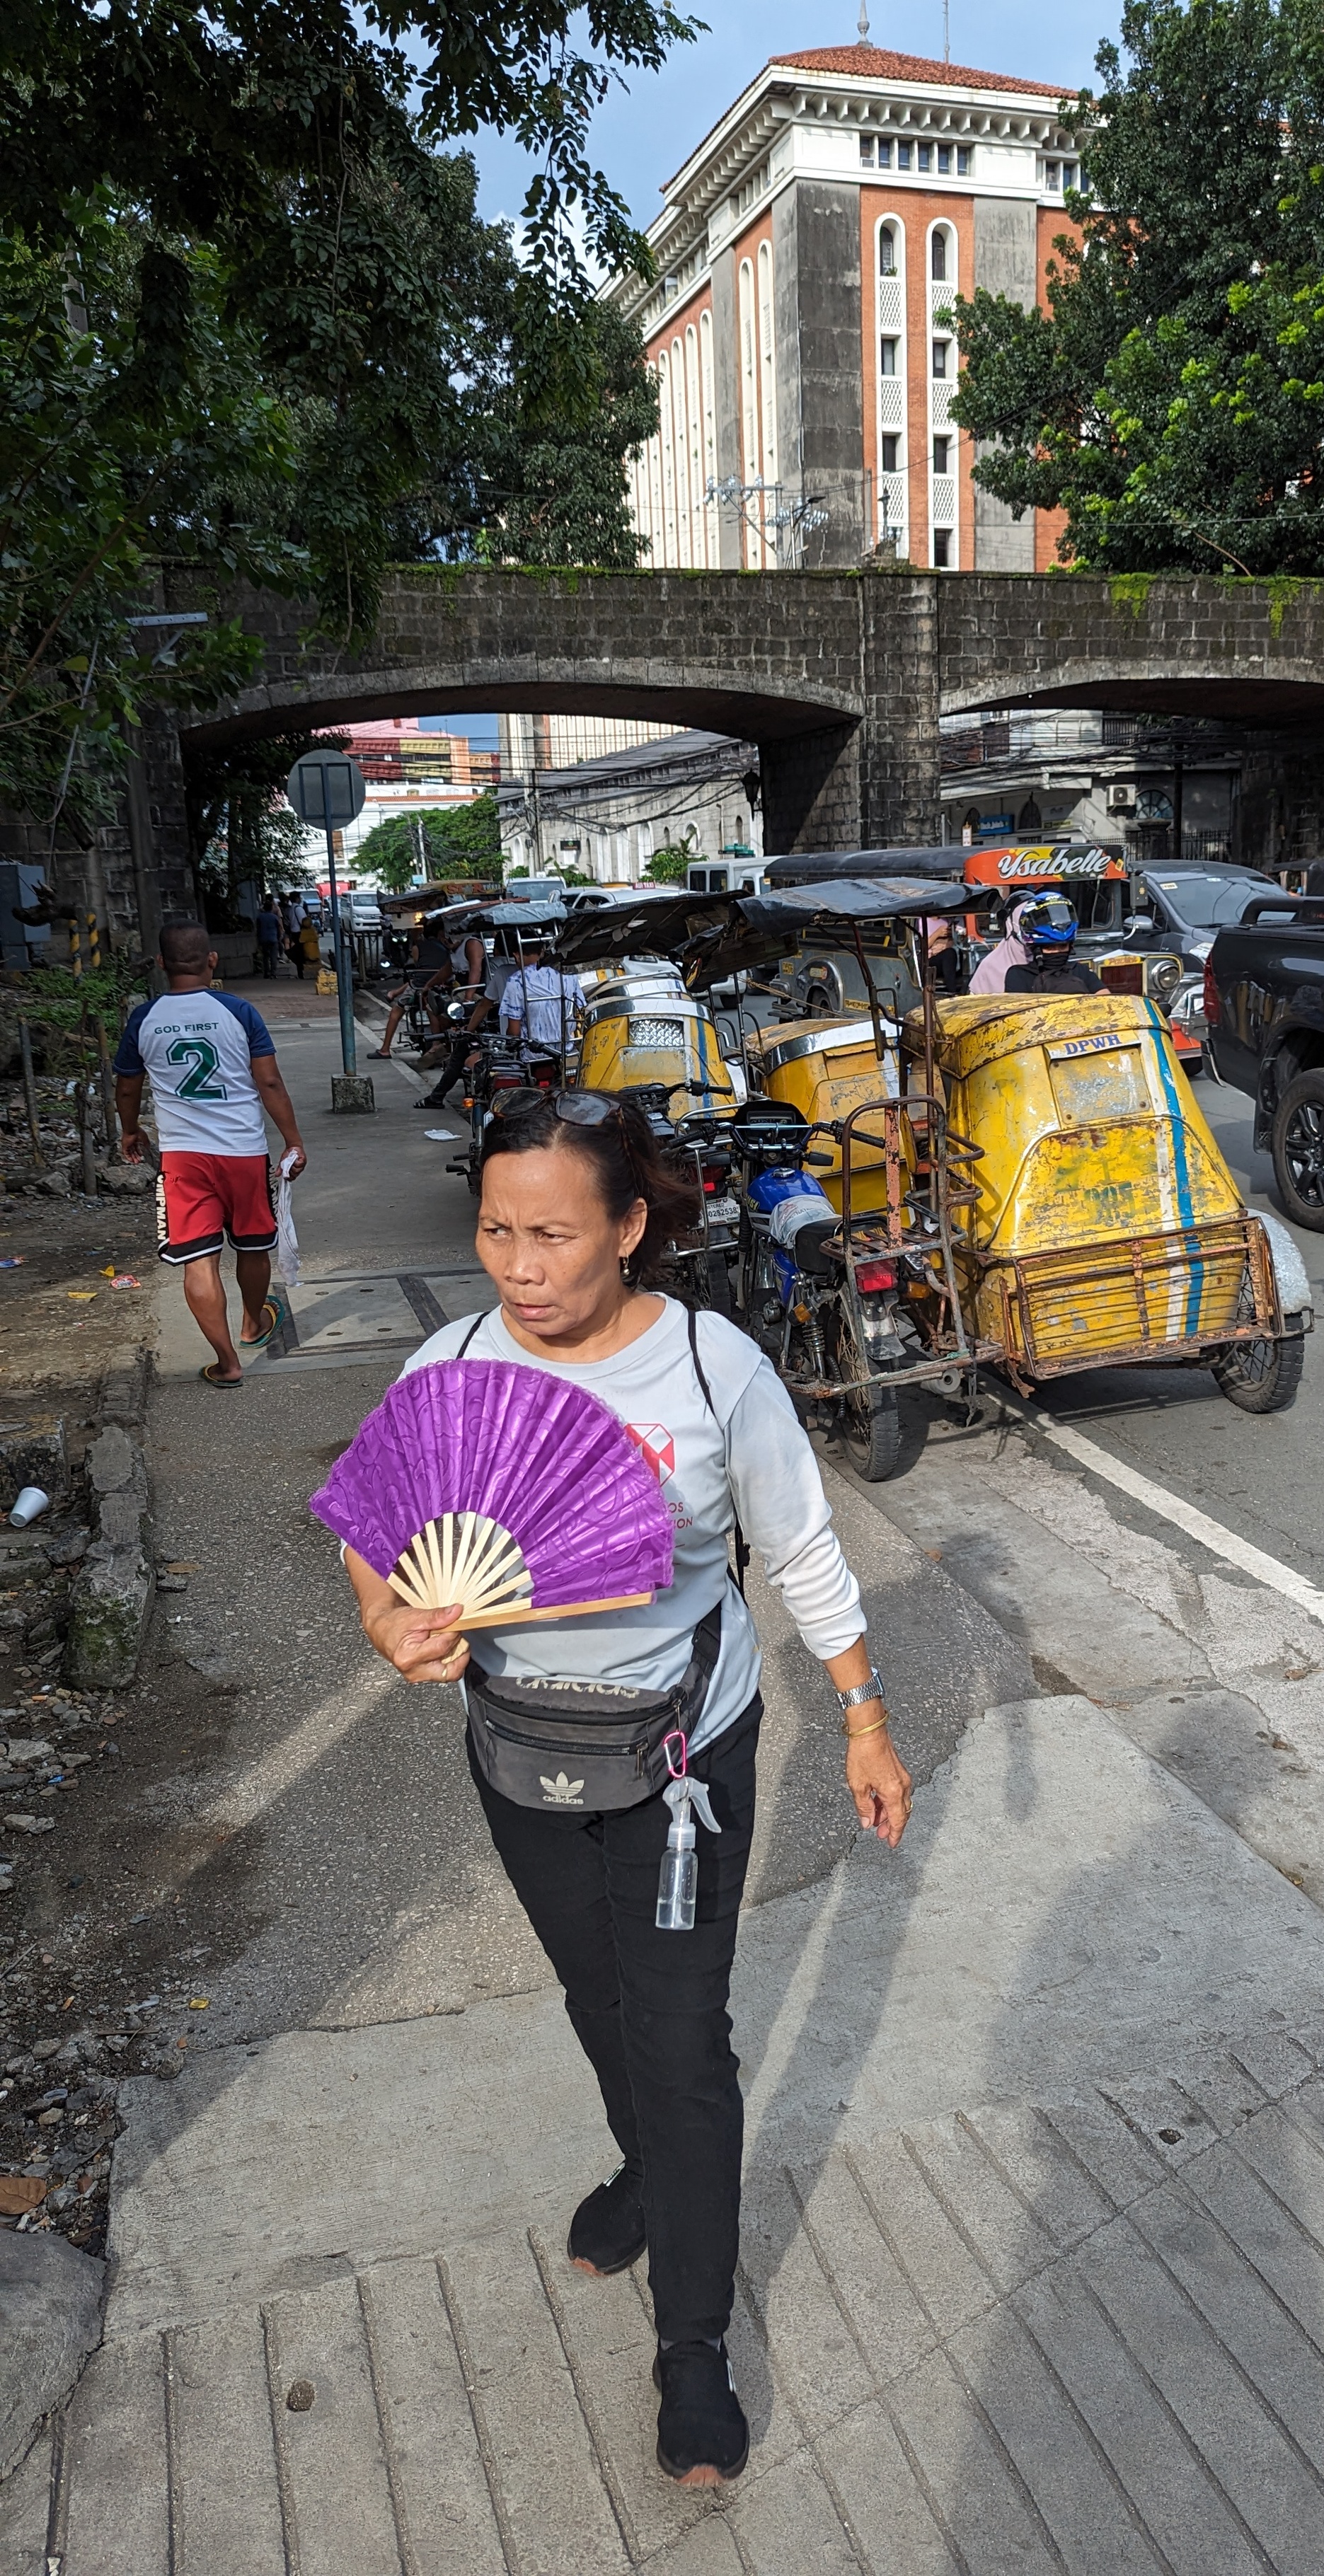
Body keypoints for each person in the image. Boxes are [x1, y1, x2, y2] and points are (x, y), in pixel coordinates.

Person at [345, 1089, 911, 2485]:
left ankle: (694, 2347)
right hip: (519, 1747)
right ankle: (644, 2169)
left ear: (631, 1225)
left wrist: (860, 1714)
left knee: (680, 2036)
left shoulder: (714, 1371)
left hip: (682, 1762)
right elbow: (377, 1520)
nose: (521, 1267)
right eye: (496, 1230)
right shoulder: (453, 1360)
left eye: (553, 1233)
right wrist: (387, 1619)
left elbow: (800, 1549)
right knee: (592, 1994)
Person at [113, 923, 307, 1386]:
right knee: (253, 1245)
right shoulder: (239, 1012)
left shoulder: (144, 1019)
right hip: (243, 1151)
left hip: (184, 1159)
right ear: (212, 961)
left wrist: (129, 1129)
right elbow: (270, 1083)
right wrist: (293, 1140)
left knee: (199, 1261)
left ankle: (227, 1362)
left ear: (161, 964)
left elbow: (126, 1086)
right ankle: (252, 1323)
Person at [369, 917, 452, 1060]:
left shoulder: (417, 947)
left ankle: (385, 1049)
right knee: (434, 1012)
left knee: (396, 1011)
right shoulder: (447, 948)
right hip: (440, 985)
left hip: (420, 985)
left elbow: (417, 964)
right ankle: (436, 1044)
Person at [1001, 893, 1103, 995]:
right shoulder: (1020, 975)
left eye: (1063, 946)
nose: (1057, 952)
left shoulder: (1080, 971)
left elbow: (1106, 999)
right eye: (1050, 947)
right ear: (1036, 949)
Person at [501, 942, 584, 1061]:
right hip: (567, 1050)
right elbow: (580, 1011)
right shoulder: (568, 974)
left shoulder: (516, 981)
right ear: (542, 951)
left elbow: (514, 1033)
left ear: (517, 955)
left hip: (533, 1055)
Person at [969, 889, 1038, 993]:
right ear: (1010, 924)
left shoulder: (1048, 958)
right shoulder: (989, 966)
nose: (1030, 927)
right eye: (1023, 921)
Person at [255, 896, 282, 979]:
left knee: (265, 957)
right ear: (271, 908)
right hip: (273, 938)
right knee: (273, 957)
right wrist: (279, 938)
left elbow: (258, 929)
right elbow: (279, 928)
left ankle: (266, 973)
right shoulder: (275, 917)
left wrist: (259, 939)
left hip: (263, 939)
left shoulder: (260, 917)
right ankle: (273, 973)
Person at [282, 894, 308, 978]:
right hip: (300, 933)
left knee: (298, 952)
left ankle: (300, 971)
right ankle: (302, 972)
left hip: (294, 932)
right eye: (300, 898)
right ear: (297, 899)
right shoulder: (299, 909)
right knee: (301, 953)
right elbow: (304, 922)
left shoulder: (291, 909)